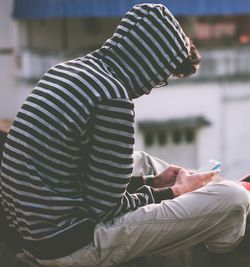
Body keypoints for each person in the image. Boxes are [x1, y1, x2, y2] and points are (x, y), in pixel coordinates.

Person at [0, 3, 249, 267]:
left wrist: (154, 182)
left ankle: (195, 189)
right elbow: (105, 210)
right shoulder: (113, 98)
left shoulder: (65, 71)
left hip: (35, 228)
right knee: (234, 198)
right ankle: (216, 226)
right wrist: (170, 194)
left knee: (142, 160)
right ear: (149, 63)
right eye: (160, 77)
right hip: (71, 244)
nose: (152, 88)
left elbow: (79, 179)